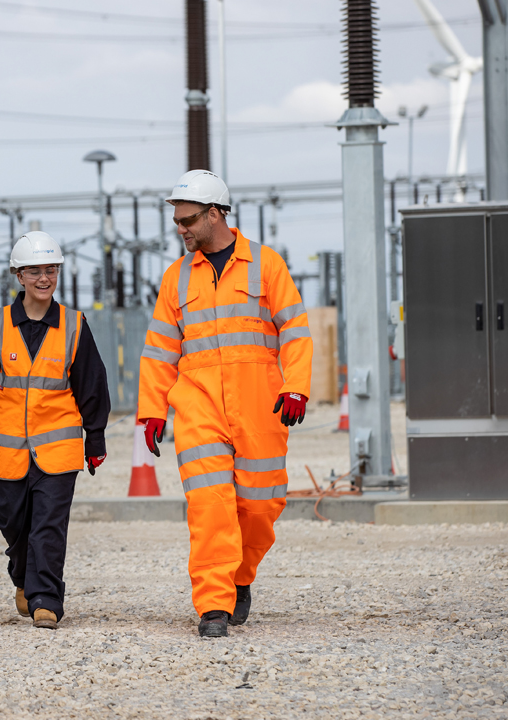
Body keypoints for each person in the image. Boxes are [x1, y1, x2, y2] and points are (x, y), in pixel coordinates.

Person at [138, 170, 312, 638]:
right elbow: (158, 349)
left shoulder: (266, 265)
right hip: (198, 406)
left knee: (260, 504)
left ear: (215, 215)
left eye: (189, 220)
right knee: (209, 504)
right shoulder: (176, 278)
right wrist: (151, 410)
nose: (181, 229)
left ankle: (239, 578)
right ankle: (213, 604)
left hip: (260, 404)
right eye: (177, 221)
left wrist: (295, 386)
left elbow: (295, 330)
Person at [0, 231, 110, 630]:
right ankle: (23, 577)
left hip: (59, 448)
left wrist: (95, 438)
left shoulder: (74, 325)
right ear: (19, 275)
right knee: (13, 523)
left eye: (51, 270)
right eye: (35, 271)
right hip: (8, 449)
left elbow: (92, 384)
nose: (44, 278)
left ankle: (46, 598)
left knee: (48, 524)